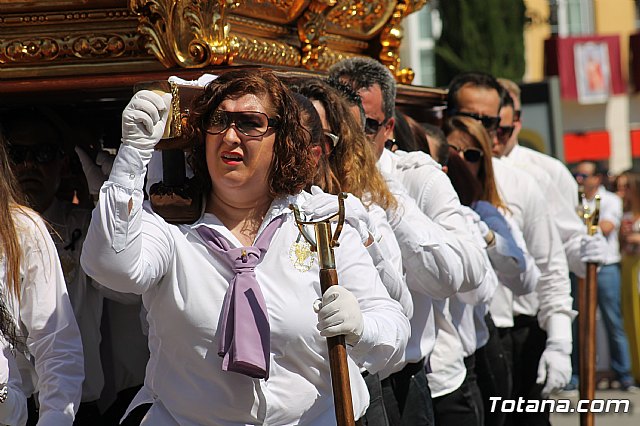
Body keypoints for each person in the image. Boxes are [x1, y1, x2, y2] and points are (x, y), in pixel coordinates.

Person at [80, 68, 410, 425]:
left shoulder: (320, 222)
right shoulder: (170, 226)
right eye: (218, 120)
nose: (230, 136)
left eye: (250, 123)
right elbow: (110, 266)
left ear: (282, 140)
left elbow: (394, 330)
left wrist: (362, 327)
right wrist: (133, 155)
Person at [330, 57, 488, 426]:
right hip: (338, 382)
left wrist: (389, 201)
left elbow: (464, 273)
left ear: (388, 127)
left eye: (366, 126)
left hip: (406, 380)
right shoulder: (314, 176)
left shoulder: (417, 177)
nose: (352, 139)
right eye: (341, 126)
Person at [447, 71, 575, 426]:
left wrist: (560, 343)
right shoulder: (431, 174)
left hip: (516, 333)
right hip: (454, 343)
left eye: (492, 122)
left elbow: (548, 266)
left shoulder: (523, 181)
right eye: (471, 118)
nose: (486, 131)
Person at [2, 107, 108, 425]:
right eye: (16, 154)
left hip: (64, 407)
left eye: (42, 153)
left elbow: (126, 286)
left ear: (62, 162)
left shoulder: (84, 226)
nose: (28, 165)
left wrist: (103, 189)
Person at [443, 115, 541, 426]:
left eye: (471, 155)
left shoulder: (486, 211)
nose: (460, 161)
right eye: (452, 152)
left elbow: (526, 277)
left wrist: (486, 235)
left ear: (482, 164)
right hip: (446, 352)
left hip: (486, 341)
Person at [571, 161, 637, 391]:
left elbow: (606, 227)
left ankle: (624, 374)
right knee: (579, 323)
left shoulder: (610, 200)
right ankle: (577, 375)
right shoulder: (574, 200)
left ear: (597, 178)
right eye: (577, 175)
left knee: (613, 321)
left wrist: (580, 224)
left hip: (607, 267)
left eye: (584, 175)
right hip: (580, 268)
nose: (580, 179)